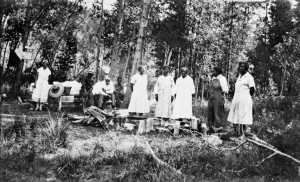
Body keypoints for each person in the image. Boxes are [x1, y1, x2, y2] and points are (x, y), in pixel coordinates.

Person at [227, 62, 255, 137]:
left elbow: (252, 89)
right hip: (236, 99)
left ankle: (242, 133)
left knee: (243, 116)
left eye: (243, 67)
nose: (241, 68)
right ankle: (236, 132)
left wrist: (246, 96)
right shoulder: (239, 76)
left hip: (244, 99)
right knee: (235, 115)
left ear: (246, 68)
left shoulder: (249, 77)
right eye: (240, 67)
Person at [207, 67, 229, 133]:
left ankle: (218, 129)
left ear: (217, 72)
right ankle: (211, 128)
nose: (212, 72)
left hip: (218, 98)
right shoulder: (213, 78)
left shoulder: (222, 78)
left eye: (214, 71)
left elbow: (226, 90)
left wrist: (221, 93)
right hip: (211, 98)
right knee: (210, 113)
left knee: (217, 114)